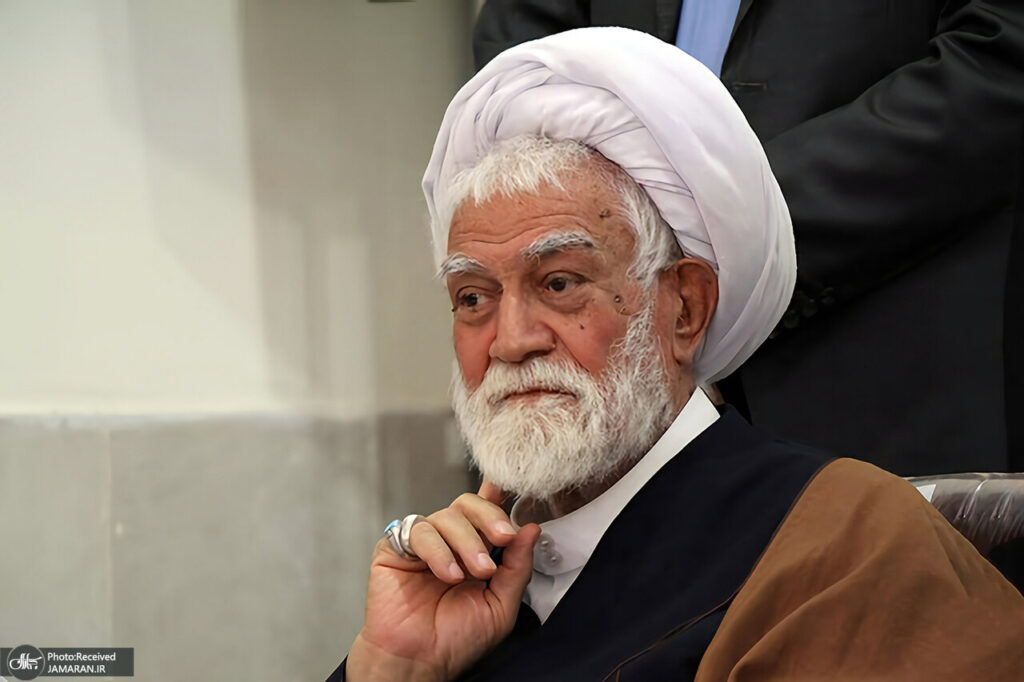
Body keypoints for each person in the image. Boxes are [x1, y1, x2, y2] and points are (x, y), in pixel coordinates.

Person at [328, 28, 1023, 682]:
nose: (509, 341)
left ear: (685, 307)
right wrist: (390, 666)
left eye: (559, 283)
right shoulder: (463, 582)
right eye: (473, 297)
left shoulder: (844, 545)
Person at [473, 0, 1024, 476]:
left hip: (872, 364)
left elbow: (998, 63)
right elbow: (522, 68)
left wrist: (713, 223)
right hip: (611, 373)